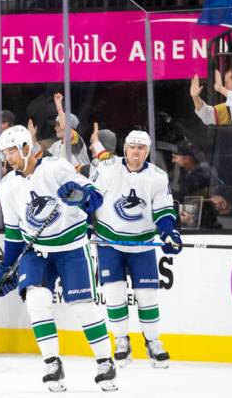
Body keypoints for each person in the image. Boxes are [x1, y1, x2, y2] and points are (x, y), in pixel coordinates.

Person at [0, 124, 117, 392]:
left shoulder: (56, 168)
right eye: (5, 153)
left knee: (83, 305)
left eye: (12, 151)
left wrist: (79, 196)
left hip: (71, 246)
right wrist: (7, 267)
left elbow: (95, 198)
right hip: (36, 250)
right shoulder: (8, 185)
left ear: (27, 148)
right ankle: (52, 363)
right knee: (37, 301)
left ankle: (105, 362)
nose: (8, 158)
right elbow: (14, 232)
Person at [91, 128, 179, 369]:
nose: (136, 152)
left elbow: (163, 212)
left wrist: (169, 233)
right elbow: (92, 198)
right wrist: (87, 222)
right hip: (110, 242)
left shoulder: (158, 177)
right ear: (125, 149)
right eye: (132, 147)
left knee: (147, 296)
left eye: (141, 148)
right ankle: (121, 340)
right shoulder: (108, 168)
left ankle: (153, 342)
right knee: (114, 294)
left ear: (147, 152)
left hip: (142, 244)